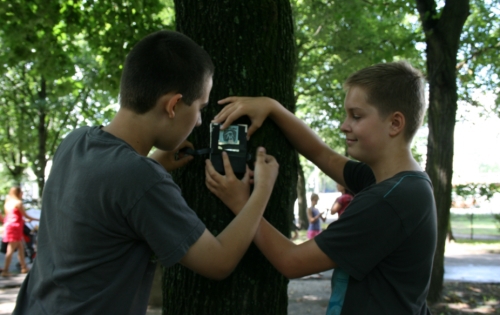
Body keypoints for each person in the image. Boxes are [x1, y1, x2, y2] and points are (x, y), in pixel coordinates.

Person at [13, 30, 279, 315]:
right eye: (200, 107)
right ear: (173, 105)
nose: (200, 121)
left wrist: (154, 162)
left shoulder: (75, 141)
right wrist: (262, 189)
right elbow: (219, 262)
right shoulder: (142, 178)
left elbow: (108, 196)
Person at [206, 61, 437, 314]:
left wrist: (242, 204)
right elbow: (323, 155)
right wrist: (272, 107)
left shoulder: (388, 200)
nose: (344, 125)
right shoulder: (400, 182)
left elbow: (291, 261)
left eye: (356, 116)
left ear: (395, 123)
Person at [2, 187, 39, 277]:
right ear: (18, 193)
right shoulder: (18, 203)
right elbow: (26, 215)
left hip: (10, 226)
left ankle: (24, 267)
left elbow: (11, 216)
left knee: (21, 247)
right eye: (21, 192)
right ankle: (5, 270)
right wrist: (38, 218)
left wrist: (25, 221)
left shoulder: (8, 203)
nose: (22, 194)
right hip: (15, 228)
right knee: (11, 248)